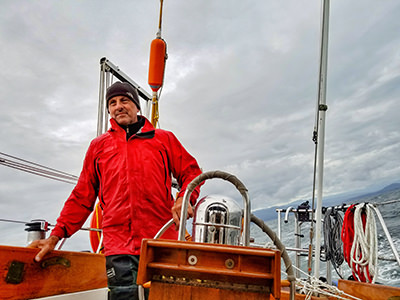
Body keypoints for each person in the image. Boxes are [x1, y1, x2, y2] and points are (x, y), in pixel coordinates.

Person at [29, 81, 202, 300]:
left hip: (161, 242)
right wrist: (56, 236)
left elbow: (192, 173)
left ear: (137, 107)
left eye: (124, 100)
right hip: (119, 247)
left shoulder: (164, 139)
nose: (118, 106)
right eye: (112, 103)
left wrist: (185, 198)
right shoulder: (98, 147)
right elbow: (82, 197)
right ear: (109, 110)